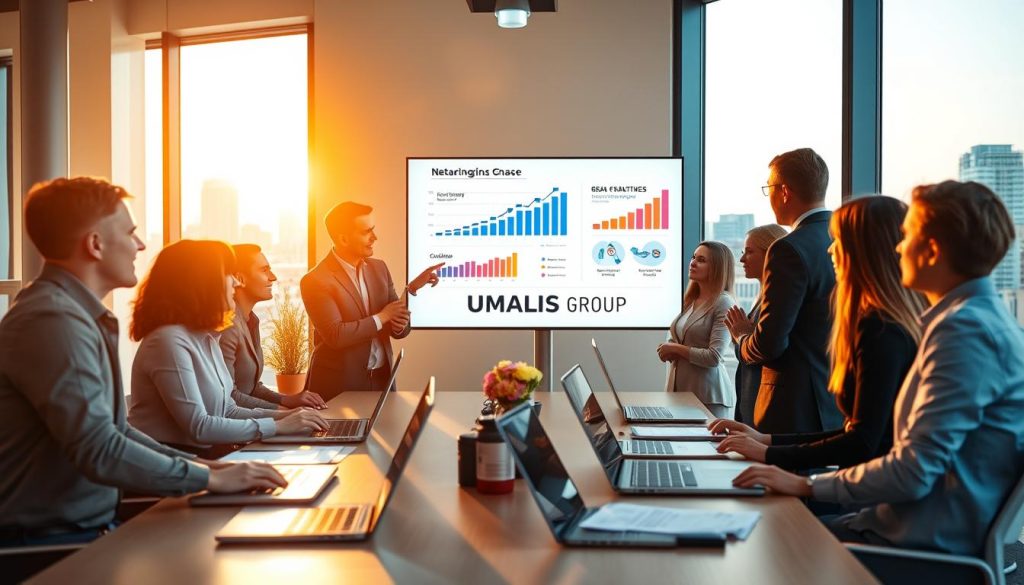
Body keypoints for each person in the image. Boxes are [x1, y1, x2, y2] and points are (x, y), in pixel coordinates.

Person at [732, 180, 1024, 556]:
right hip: (914, 528)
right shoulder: (982, 321)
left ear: (932, 250)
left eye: (909, 236)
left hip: (917, 544)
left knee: (767, 544)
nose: (898, 247)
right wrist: (771, 445)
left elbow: (912, 470)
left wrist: (805, 484)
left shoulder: (963, 331)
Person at [0, 178, 286, 547]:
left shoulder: (76, 316)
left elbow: (117, 431)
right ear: (95, 244)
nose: (140, 244)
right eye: (130, 232)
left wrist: (211, 469)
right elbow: (101, 449)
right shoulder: (54, 320)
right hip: (52, 544)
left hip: (86, 530)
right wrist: (211, 478)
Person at [712, 196, 926, 472]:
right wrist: (767, 441)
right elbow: (857, 433)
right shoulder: (891, 322)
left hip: (872, 488)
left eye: (839, 241)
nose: (830, 250)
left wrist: (774, 457)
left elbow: (863, 442)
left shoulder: (880, 329)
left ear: (865, 250)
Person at [129, 240, 328, 456]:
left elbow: (228, 409)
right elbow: (199, 427)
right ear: (202, 283)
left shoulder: (207, 337)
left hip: (203, 455)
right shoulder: (167, 340)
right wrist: (278, 425)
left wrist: (290, 416)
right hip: (173, 461)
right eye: (227, 274)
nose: (235, 282)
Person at [725, 147, 842, 434]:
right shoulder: (844, 238)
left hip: (790, 411)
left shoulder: (788, 249)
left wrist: (741, 338)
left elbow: (769, 344)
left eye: (769, 188)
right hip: (834, 403)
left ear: (785, 192)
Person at [301, 202, 442, 399]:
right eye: (366, 232)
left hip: (382, 382)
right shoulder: (316, 280)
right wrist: (383, 317)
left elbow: (399, 328)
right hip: (338, 387)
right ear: (343, 239)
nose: (374, 237)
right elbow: (336, 335)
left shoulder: (379, 268)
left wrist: (411, 291)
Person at [220, 244, 326, 410]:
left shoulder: (251, 320)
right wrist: (285, 413)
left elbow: (251, 388)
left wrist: (287, 400)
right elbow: (229, 397)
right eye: (264, 270)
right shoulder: (228, 327)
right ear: (240, 279)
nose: (273, 277)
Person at [658, 241, 736, 419]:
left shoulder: (723, 302)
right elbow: (680, 337)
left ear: (717, 268)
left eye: (701, 260)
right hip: (680, 393)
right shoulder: (690, 300)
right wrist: (669, 348)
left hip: (707, 398)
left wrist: (675, 349)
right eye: (694, 257)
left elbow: (714, 357)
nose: (692, 262)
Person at [732, 224, 787, 424]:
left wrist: (742, 336)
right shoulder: (761, 297)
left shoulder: (775, 301)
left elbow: (764, 350)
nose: (742, 259)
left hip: (762, 403)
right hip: (751, 398)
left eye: (749, 252)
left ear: (770, 253)